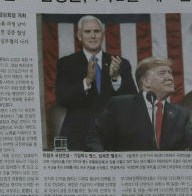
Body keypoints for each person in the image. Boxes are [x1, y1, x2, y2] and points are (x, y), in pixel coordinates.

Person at [85, 57, 192, 151]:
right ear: (145, 81)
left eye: (170, 73)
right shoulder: (121, 106)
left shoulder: (180, 114)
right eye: (162, 73)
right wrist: (103, 166)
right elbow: (94, 137)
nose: (170, 77)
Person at [54, 15, 137, 150]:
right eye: (87, 32)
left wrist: (116, 79)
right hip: (78, 134)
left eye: (96, 31)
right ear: (79, 36)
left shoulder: (120, 63)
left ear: (103, 35)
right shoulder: (66, 63)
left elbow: (133, 101)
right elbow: (62, 99)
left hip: (113, 134)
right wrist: (87, 81)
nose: (93, 36)